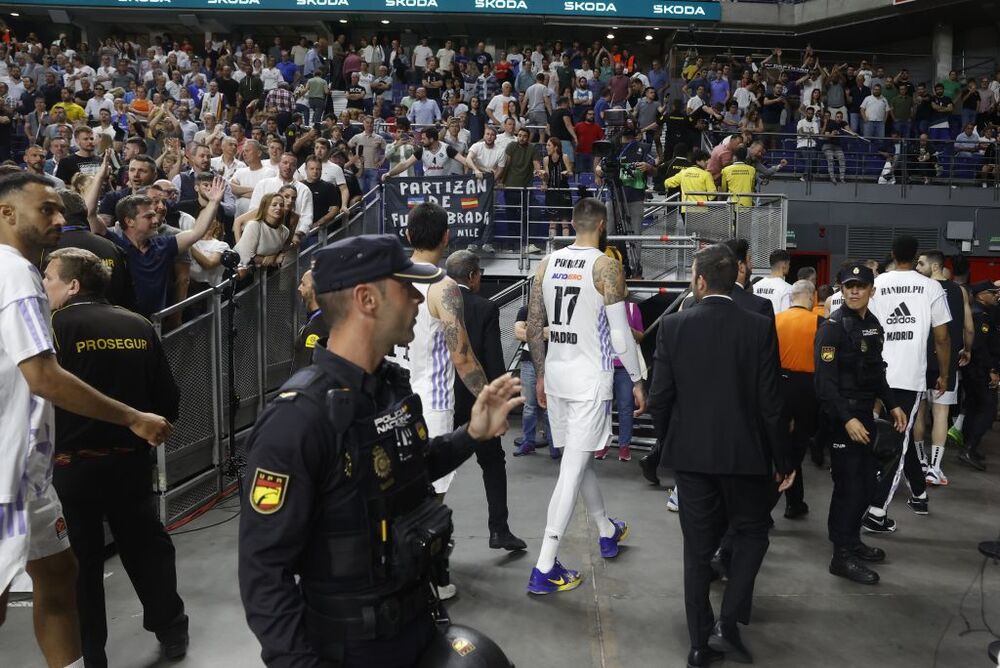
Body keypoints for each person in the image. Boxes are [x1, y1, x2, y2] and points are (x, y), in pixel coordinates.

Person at [237, 234, 523, 667]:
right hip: (351, 648)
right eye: (405, 287)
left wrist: (471, 434)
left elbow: (414, 470)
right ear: (367, 299)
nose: (415, 298)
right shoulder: (297, 421)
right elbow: (263, 572)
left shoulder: (391, 387)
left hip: (418, 621)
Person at [0, 173, 171, 668]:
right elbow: (43, 376)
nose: (60, 219)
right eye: (47, 210)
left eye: (60, 209)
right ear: (7, 214)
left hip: (31, 473)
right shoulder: (15, 273)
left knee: (61, 575)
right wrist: (134, 417)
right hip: (8, 474)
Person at [648, 243, 794, 667]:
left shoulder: (673, 326)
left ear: (698, 281)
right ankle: (728, 623)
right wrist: (783, 460)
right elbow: (771, 402)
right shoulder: (758, 325)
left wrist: (670, 443)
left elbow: (660, 399)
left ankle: (698, 645)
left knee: (696, 551)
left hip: (692, 459)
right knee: (752, 534)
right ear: (736, 279)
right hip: (746, 457)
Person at [44, 248, 187, 667]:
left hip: (70, 466)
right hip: (130, 460)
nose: (44, 286)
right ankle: (172, 629)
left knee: (81, 566)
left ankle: (92, 655)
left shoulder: (52, 327)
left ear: (72, 285)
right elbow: (168, 401)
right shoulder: (138, 324)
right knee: (147, 548)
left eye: (49, 278)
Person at [525, 197, 645, 595]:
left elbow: (535, 324)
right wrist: (638, 377)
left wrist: (541, 375)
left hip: (558, 376)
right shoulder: (606, 266)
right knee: (571, 470)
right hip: (590, 380)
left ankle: (607, 529)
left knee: (581, 460)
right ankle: (544, 565)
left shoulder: (546, 263)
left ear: (573, 224)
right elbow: (619, 334)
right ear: (603, 224)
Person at [392, 204, 489, 596]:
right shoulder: (443, 286)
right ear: (446, 237)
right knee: (429, 501)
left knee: (394, 495)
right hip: (429, 406)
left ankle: (400, 574)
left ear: (409, 235)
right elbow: (462, 355)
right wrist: (488, 397)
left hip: (390, 399)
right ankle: (426, 581)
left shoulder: (389, 276)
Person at [815, 262, 907, 584]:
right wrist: (849, 418)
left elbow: (876, 372)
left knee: (866, 485)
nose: (854, 291)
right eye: (848, 285)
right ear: (841, 288)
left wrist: (893, 404)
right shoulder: (832, 328)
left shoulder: (873, 325)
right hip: (844, 420)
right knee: (849, 487)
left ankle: (851, 541)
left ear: (872, 290)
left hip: (866, 416)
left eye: (860, 286)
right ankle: (841, 555)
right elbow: (824, 385)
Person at [864, 236, 951, 532]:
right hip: (908, 377)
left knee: (878, 433)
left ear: (891, 254)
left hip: (876, 372)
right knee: (898, 444)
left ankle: (916, 493)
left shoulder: (878, 284)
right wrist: (944, 373)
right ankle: (877, 510)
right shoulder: (931, 287)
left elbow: (865, 324)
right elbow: (942, 337)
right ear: (916, 258)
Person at [445, 250, 526, 552]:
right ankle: (499, 530)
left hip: (443, 399)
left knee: (433, 467)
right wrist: (499, 405)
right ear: (472, 276)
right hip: (475, 402)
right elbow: (493, 361)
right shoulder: (485, 308)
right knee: (493, 464)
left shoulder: (433, 304)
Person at [914, 249, 972, 485]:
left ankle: (919, 462)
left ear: (934, 266)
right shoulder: (960, 291)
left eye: (921, 264)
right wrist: (967, 349)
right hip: (947, 361)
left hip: (921, 361)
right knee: (941, 414)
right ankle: (935, 468)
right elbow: (968, 327)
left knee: (919, 412)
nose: (918, 268)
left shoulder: (920, 289)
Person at [774, 280, 823, 520]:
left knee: (781, 443)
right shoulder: (820, 323)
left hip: (778, 385)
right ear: (812, 297)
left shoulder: (774, 320)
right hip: (807, 388)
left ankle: (795, 500)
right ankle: (774, 502)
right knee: (797, 446)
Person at [956, 281, 1000, 470]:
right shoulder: (980, 316)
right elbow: (980, 347)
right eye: (993, 292)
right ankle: (969, 447)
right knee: (989, 410)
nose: (996, 295)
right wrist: (992, 370)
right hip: (980, 371)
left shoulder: (979, 312)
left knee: (974, 407)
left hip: (974, 370)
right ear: (981, 294)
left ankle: (969, 447)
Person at [293, 269, 327, 372]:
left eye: (303, 284)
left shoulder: (316, 328)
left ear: (314, 289)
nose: (299, 288)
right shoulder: (323, 318)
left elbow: (306, 369)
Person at [752, 249, 793, 314]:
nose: (789, 266)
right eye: (789, 264)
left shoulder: (754, 287)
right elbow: (786, 315)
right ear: (784, 264)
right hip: (775, 323)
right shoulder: (788, 289)